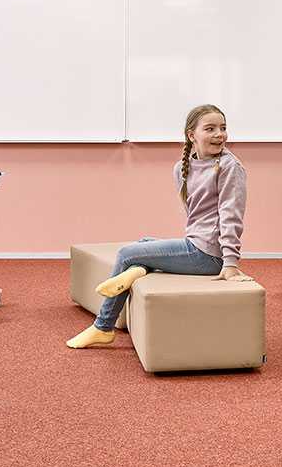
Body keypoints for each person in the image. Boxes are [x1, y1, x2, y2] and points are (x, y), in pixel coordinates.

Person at [67, 104, 250, 349]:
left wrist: (230, 264)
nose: (220, 134)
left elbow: (231, 215)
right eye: (210, 128)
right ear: (191, 135)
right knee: (143, 243)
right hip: (195, 245)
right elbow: (193, 215)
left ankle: (103, 327)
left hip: (209, 256)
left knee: (125, 254)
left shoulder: (230, 167)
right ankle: (140, 269)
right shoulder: (181, 169)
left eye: (223, 128)